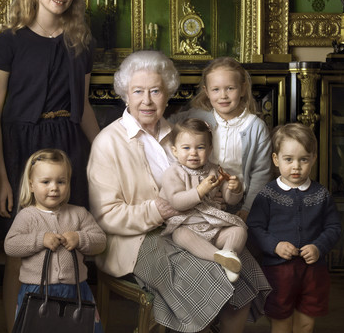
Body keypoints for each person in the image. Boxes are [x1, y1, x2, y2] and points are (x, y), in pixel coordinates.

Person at [88, 50, 270, 333]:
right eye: (138, 91)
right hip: (136, 239)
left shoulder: (178, 134)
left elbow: (201, 178)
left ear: (167, 94)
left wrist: (217, 194)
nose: (147, 101)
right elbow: (106, 215)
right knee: (208, 275)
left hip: (191, 224)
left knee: (243, 267)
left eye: (155, 91)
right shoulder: (107, 143)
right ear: (125, 95)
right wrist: (156, 211)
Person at [0, 0, 99, 330]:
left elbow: (82, 108)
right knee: (21, 251)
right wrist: (1, 176)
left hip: (66, 148)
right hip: (21, 148)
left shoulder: (80, 41)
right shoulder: (9, 41)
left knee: (69, 243)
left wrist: (104, 155)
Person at [247, 122, 341, 333]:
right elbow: (254, 227)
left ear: (314, 159)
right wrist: (275, 245)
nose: (296, 166)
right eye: (288, 159)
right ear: (276, 159)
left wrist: (318, 247)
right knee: (281, 322)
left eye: (303, 159)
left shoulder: (321, 194)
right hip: (279, 271)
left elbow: (333, 227)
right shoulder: (267, 194)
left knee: (306, 324)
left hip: (313, 272)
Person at [4, 149, 106, 333]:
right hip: (36, 291)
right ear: (32, 185)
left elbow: (100, 241)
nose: (54, 188)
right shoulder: (27, 217)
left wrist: (79, 238)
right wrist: (40, 239)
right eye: (46, 182)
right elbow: (11, 245)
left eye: (61, 182)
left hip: (76, 291)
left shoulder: (79, 214)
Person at [169, 56, 272, 221]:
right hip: (201, 196)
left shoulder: (256, 127)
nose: (223, 96)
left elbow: (261, 173)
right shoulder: (199, 117)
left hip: (240, 201)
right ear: (207, 91)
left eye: (230, 88)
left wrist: (247, 208)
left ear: (243, 89)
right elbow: (168, 125)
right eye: (215, 89)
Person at [160, 118, 247, 283]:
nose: (193, 153)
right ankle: (220, 258)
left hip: (213, 226)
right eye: (186, 148)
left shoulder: (215, 170)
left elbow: (229, 201)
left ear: (210, 149)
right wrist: (200, 191)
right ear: (175, 151)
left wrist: (234, 189)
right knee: (179, 235)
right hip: (187, 224)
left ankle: (229, 252)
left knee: (239, 230)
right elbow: (176, 201)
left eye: (200, 147)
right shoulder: (173, 173)